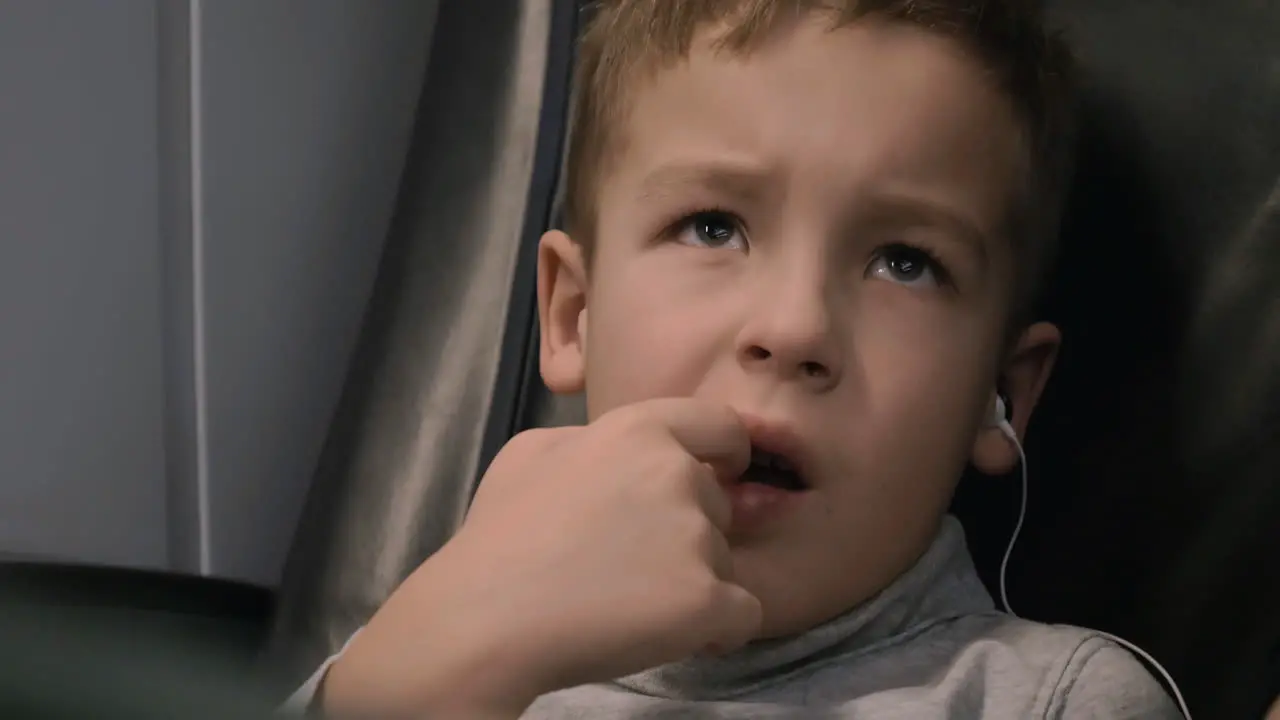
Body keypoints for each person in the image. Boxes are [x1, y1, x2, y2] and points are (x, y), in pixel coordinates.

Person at [284, 0, 1183, 717]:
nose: (793, 330)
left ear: (1002, 393)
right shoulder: (429, 652)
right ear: (573, 313)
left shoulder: (1054, 700)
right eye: (712, 226)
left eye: (905, 263)